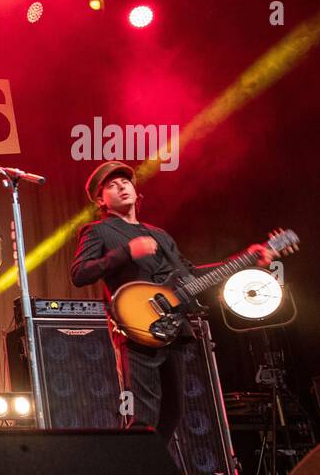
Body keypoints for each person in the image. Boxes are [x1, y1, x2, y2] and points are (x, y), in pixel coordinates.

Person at [69, 161, 271, 444]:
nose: (121, 187)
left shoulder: (159, 234)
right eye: (111, 186)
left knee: (173, 413)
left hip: (172, 327)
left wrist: (247, 260)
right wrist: (127, 252)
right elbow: (80, 273)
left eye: (125, 182)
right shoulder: (98, 231)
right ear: (101, 199)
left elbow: (191, 276)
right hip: (137, 330)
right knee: (144, 416)